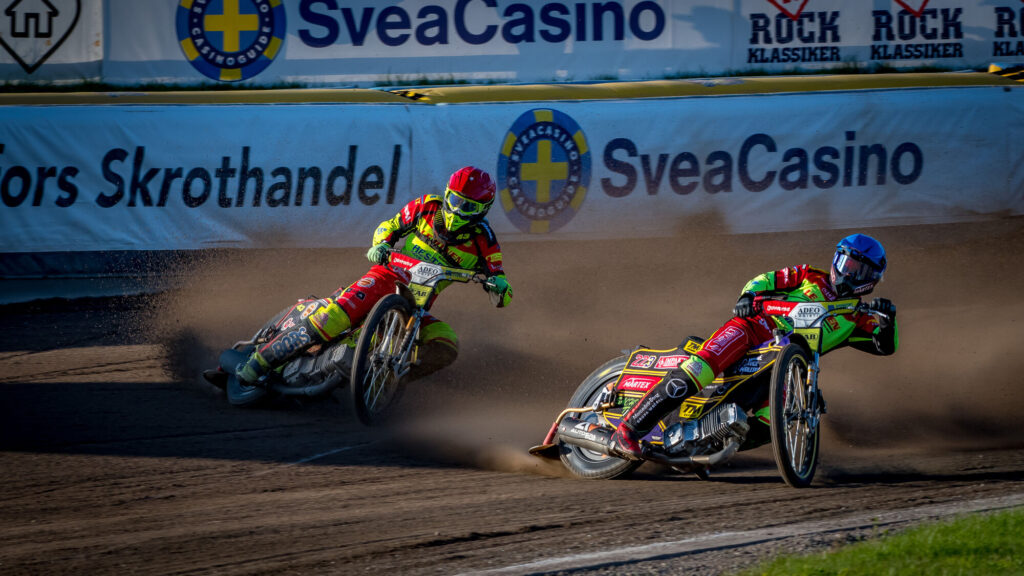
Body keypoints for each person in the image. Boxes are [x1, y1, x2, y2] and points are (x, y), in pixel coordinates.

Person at [609, 233, 898, 460]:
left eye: (860, 271)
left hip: (786, 369)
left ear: (871, 281)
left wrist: (887, 322)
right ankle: (629, 429)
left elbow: (885, 346)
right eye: (847, 265)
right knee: (701, 369)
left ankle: (702, 446)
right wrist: (749, 295)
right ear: (836, 261)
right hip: (751, 330)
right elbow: (767, 279)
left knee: (772, 422)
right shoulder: (810, 274)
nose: (850, 274)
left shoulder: (857, 318)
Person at [235, 166, 512, 387]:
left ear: (483, 210)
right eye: (455, 201)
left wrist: (498, 286)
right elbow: (389, 226)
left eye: (469, 207)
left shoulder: (484, 241)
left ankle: (387, 380)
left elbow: (501, 288)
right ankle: (258, 363)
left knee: (446, 343)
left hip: (416, 307)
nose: (458, 211)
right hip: (385, 276)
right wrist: (381, 244)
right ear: (447, 193)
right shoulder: (426, 206)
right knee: (334, 318)